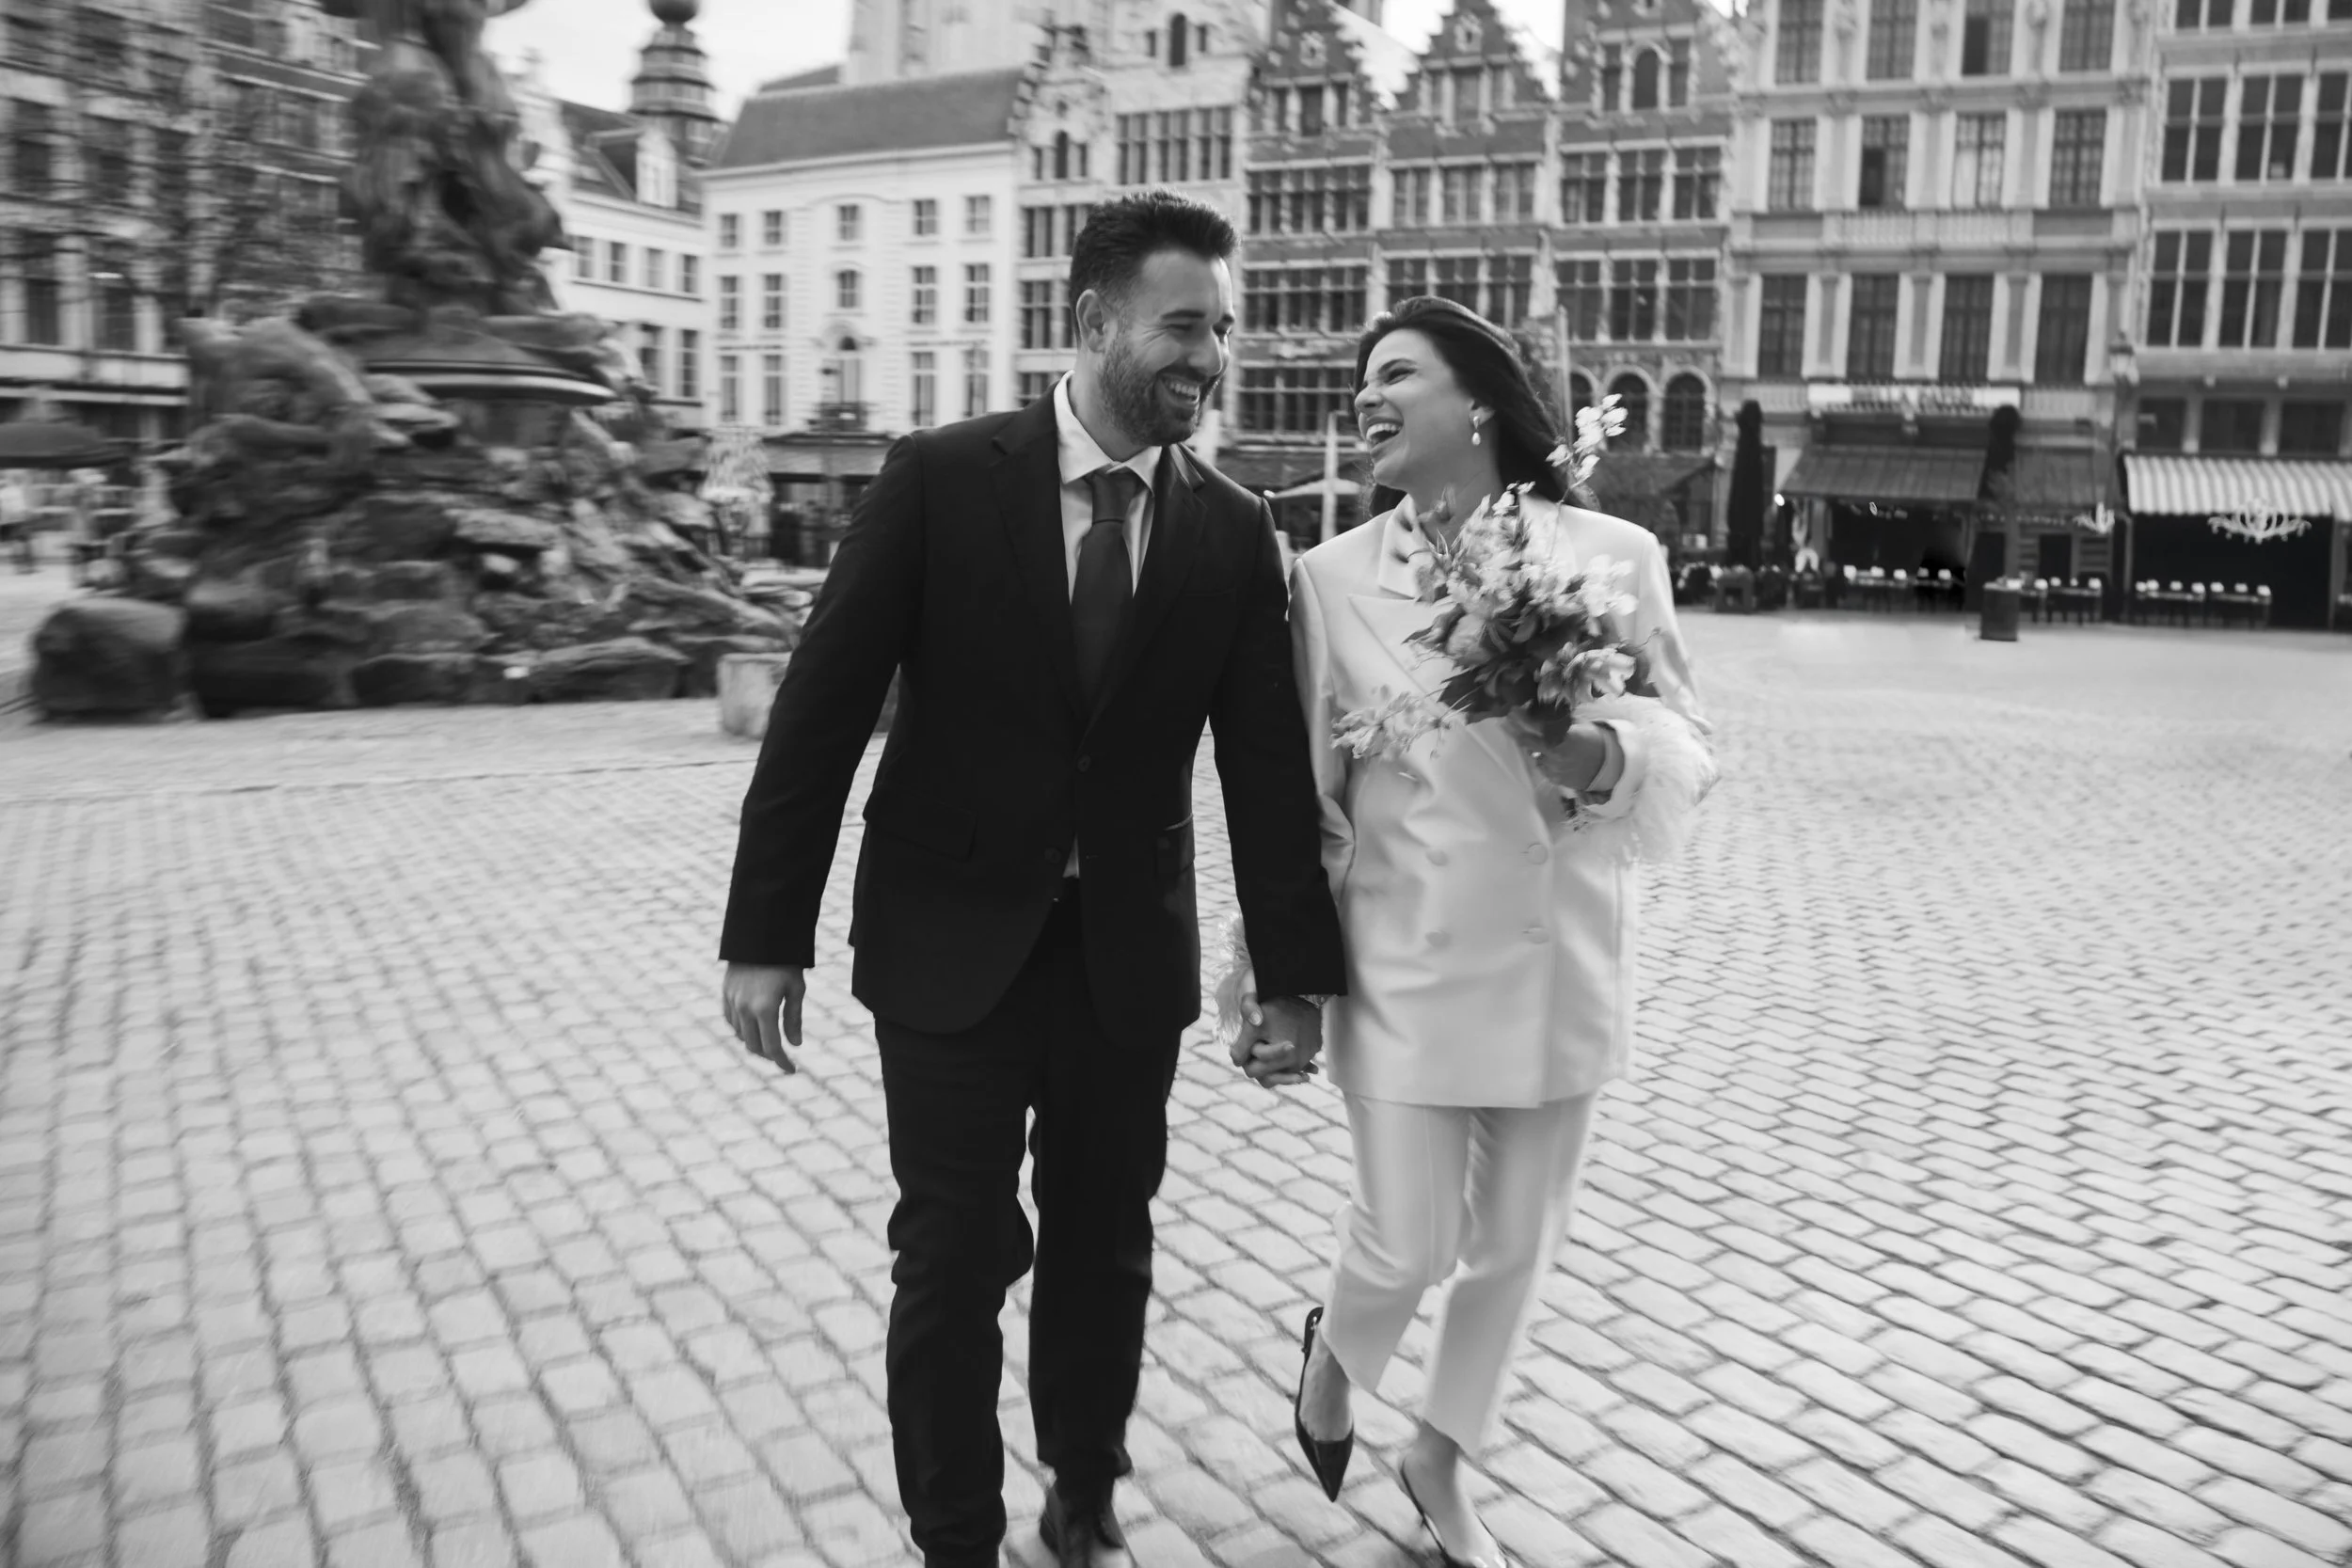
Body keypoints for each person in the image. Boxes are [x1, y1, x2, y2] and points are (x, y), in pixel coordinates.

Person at [717, 190, 1346, 1568]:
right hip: (946, 940)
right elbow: (821, 707)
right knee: (951, 1253)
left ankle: (1084, 1496)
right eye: (1184, 326)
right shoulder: (940, 478)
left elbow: (1261, 774)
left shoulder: (1234, 533)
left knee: (1103, 1247)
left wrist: (1294, 977)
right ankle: (954, 1534)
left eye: (1223, 331)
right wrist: (767, 933)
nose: (1211, 358)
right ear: (1092, 323)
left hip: (1124, 955)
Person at [1279, 297, 1711, 1567]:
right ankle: (1337, 1351)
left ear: (1477, 400)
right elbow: (1308, 797)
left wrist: (1583, 745)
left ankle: (1440, 1454)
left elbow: (1686, 740)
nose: (1366, 397)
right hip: (1400, 962)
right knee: (1409, 1238)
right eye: (1361, 380)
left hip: (1556, 947)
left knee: (1514, 1244)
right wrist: (1284, 978)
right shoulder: (1327, 578)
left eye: (1395, 375)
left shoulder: (1616, 552)